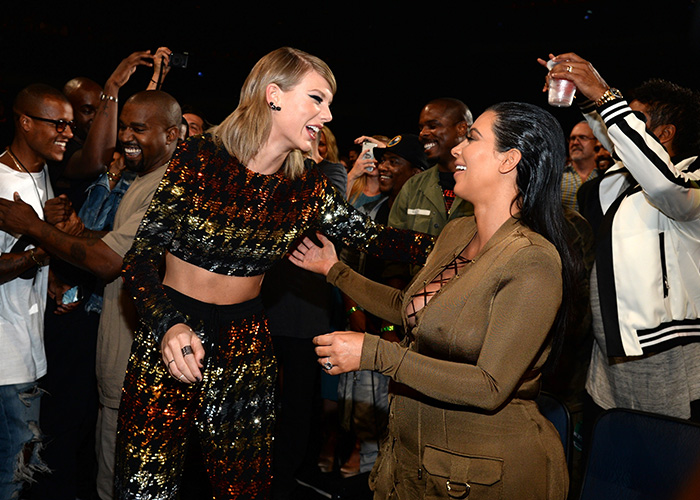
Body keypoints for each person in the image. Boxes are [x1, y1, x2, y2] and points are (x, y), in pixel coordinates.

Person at [115, 46, 433, 499]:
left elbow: (376, 238)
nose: (327, 113)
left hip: (246, 341)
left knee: (244, 487)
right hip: (171, 332)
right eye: (317, 99)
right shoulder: (199, 158)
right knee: (146, 486)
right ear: (274, 96)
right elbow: (140, 257)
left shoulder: (306, 189)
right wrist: (166, 324)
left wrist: (468, 243)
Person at [289, 101, 579, 499]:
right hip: (416, 461)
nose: (457, 149)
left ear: (509, 160)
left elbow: (489, 385)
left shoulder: (532, 260)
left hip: (482, 474)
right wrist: (334, 270)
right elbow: (411, 308)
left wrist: (377, 354)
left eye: (472, 138)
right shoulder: (458, 232)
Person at [0, 90, 181, 500]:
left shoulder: (164, 186)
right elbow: (112, 244)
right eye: (124, 127)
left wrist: (40, 238)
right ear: (24, 122)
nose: (126, 137)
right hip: (11, 361)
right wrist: (55, 252)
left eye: (139, 128)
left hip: (62, 362)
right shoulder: (15, 177)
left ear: (172, 134)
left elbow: (109, 259)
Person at [540, 54, 700, 432]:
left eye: (635, 116)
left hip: (666, 354)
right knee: (612, 464)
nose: (620, 119)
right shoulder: (625, 179)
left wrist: (606, 96)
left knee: (664, 469)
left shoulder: (689, 179)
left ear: (664, 134)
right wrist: (587, 97)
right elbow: (618, 140)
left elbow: (664, 184)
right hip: (607, 350)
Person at [0, 83, 73, 499]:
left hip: (27, 350)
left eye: (70, 123)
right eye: (57, 123)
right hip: (7, 359)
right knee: (14, 466)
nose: (67, 131)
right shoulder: (1, 178)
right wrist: (42, 252)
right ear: (25, 122)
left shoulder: (39, 171)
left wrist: (53, 284)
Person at [388, 98, 474, 238]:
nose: (423, 134)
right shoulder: (413, 186)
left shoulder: (483, 184)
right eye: (421, 128)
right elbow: (393, 245)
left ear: (461, 129)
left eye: (433, 126)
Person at [561, 120, 600, 212]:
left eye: (582, 137)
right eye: (572, 138)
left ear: (597, 141)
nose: (575, 143)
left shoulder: (606, 176)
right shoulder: (558, 177)